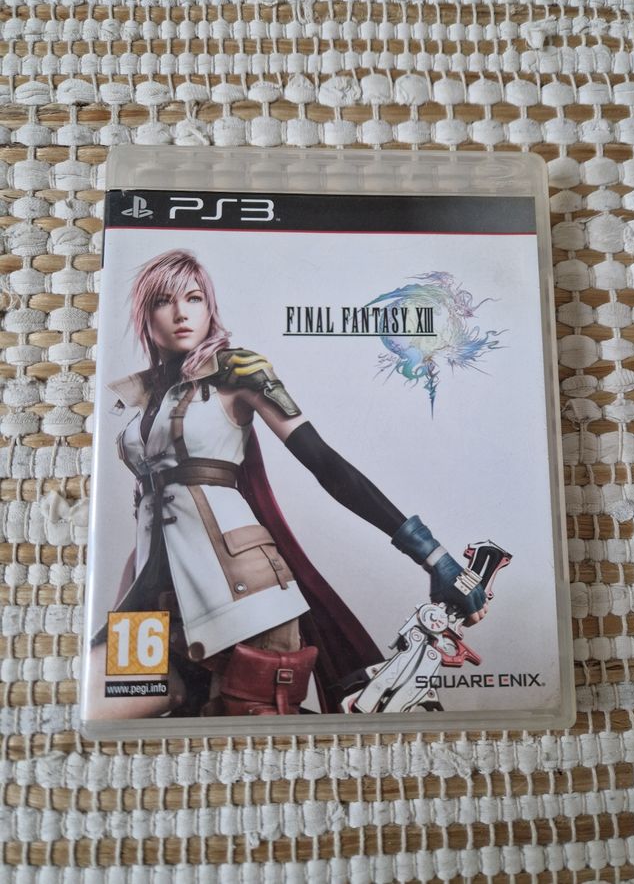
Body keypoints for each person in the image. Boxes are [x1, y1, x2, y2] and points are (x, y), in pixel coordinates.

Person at [88, 250, 488, 719]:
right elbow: (153, 518)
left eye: (194, 298)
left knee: (250, 727)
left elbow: (325, 463)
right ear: (144, 314)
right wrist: (121, 611)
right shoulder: (141, 401)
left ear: (210, 307)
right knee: (102, 704)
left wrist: (433, 555)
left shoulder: (236, 375)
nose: (181, 313)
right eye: (164, 301)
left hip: (243, 595)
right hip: (157, 598)